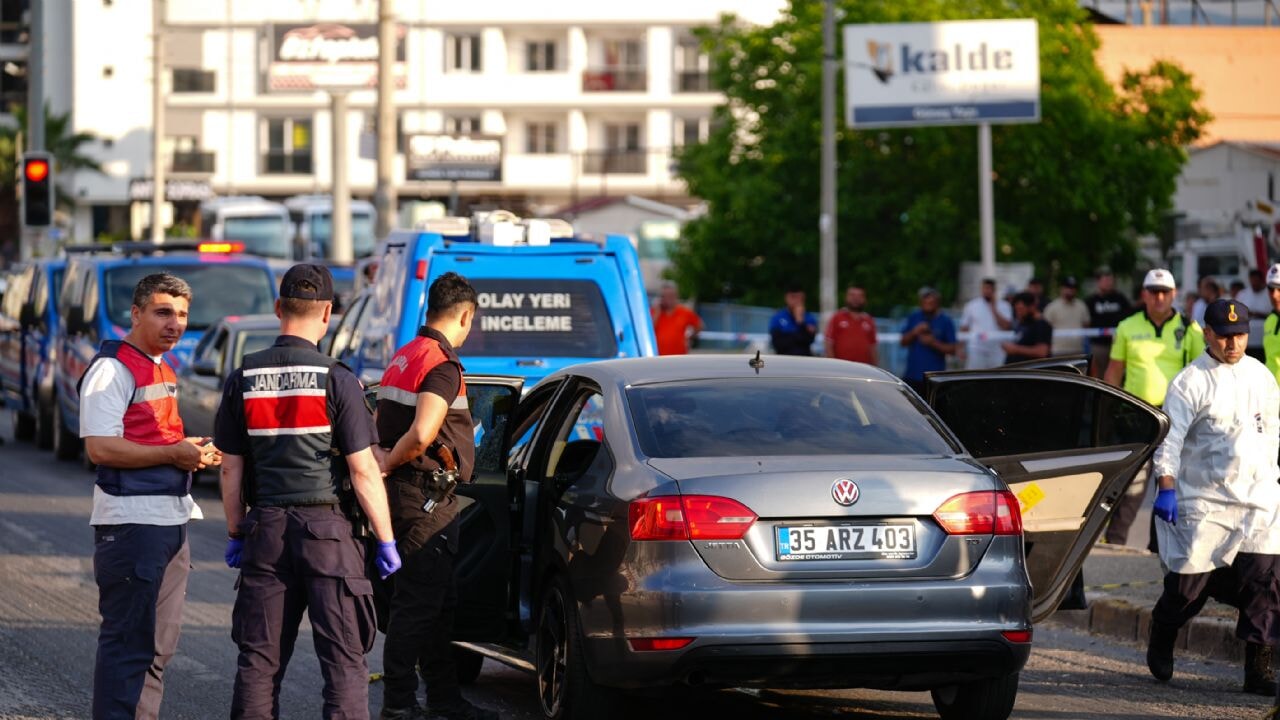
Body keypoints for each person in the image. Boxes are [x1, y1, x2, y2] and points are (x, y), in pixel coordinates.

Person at [215, 264, 401, 719]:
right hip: (329, 536)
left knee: (258, 663)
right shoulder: (337, 379)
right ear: (328, 313)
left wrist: (238, 531)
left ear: (279, 308)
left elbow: (230, 469)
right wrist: (385, 538)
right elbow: (362, 470)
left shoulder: (243, 377)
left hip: (267, 532)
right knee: (343, 664)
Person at [79, 272, 220, 720]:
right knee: (128, 647)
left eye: (181, 314)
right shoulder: (112, 368)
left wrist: (190, 452)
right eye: (163, 312)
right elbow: (99, 447)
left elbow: (152, 440)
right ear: (135, 313)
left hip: (169, 521)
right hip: (132, 523)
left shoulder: (161, 365)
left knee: (157, 650)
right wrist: (173, 453)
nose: (174, 323)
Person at [376, 272, 499, 720]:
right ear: (465, 315)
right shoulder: (442, 365)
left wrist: (384, 466)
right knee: (417, 608)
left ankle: (444, 699)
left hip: (404, 495)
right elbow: (423, 433)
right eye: (472, 321)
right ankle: (400, 704)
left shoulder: (405, 356)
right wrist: (389, 463)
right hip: (426, 497)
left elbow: (383, 425)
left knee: (437, 604)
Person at [1145, 298, 1280, 695]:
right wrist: (1166, 487)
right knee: (1188, 589)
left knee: (1266, 583)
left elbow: (1271, 433)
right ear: (1207, 333)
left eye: (1239, 335)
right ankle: (1164, 629)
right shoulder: (1190, 382)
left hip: (1258, 500)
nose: (1232, 344)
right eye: (1223, 336)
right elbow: (1169, 443)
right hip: (1204, 500)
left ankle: (1258, 671)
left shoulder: (1262, 377)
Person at [1104, 268, 1205, 548]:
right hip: (1138, 416)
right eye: (1153, 292)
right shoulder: (1127, 326)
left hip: (1176, 417)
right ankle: (1114, 546)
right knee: (1131, 487)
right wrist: (1110, 407)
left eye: (1164, 292)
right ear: (1144, 295)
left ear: (1173, 294)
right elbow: (1114, 370)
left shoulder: (1190, 329)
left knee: (1169, 482)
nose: (1159, 297)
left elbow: (1203, 373)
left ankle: (1158, 547)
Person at [899, 286, 956, 395]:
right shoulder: (914, 317)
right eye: (924, 302)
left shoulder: (946, 321)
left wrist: (933, 343)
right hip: (912, 376)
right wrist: (915, 332)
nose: (927, 305)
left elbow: (952, 349)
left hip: (935, 378)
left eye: (931, 302)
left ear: (937, 303)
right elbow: (903, 342)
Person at [1084, 268, 1132, 378]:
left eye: (1110, 281)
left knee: (1117, 372)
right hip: (1098, 344)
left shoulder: (1120, 299)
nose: (1108, 283)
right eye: (1105, 280)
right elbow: (1086, 321)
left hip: (1117, 343)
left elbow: (1128, 317)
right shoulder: (1091, 301)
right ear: (1098, 282)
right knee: (1098, 374)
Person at [958, 278, 1012, 370]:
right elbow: (964, 327)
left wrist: (994, 308)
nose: (987, 291)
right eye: (985, 288)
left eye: (990, 288)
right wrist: (960, 348)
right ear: (981, 289)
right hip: (976, 349)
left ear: (994, 290)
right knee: (974, 378)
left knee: (996, 379)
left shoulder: (1004, 305)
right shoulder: (971, 305)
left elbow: (1006, 326)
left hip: (997, 350)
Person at [824, 284, 878, 365]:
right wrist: (832, 365)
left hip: (864, 370)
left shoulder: (869, 320)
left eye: (859, 296)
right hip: (841, 368)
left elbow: (873, 347)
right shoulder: (837, 317)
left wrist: (875, 367)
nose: (856, 299)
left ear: (865, 299)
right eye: (852, 295)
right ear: (846, 297)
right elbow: (828, 343)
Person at [1042, 276, 1090, 357]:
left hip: (1078, 350)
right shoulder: (1052, 307)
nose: (1070, 290)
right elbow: (1044, 328)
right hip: (1058, 351)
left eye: (1073, 287)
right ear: (1061, 288)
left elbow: (1086, 325)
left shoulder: (1081, 305)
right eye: (1067, 287)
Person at [651, 282, 702, 356]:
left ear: (676, 296)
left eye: (671, 296)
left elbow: (699, 325)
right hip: (658, 356)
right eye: (665, 296)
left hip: (679, 356)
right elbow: (648, 330)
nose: (668, 299)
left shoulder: (684, 312)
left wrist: (690, 338)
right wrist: (657, 314)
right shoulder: (654, 311)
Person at [1002, 292, 1052, 364]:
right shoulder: (1023, 324)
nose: (1018, 313)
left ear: (1032, 307)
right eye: (1016, 310)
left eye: (1020, 309)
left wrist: (1015, 349)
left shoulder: (1041, 325)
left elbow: (1042, 352)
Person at [769, 286, 817, 356]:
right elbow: (777, 343)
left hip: (804, 359)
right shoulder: (778, 317)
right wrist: (798, 336)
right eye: (793, 297)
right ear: (786, 298)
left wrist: (800, 322)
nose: (796, 301)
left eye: (799, 297)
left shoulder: (809, 317)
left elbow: (809, 340)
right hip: (784, 358)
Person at [1237, 269, 1271, 362]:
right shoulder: (1243, 294)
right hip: (1247, 341)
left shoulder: (1269, 294)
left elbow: (1273, 315)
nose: (1254, 283)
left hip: (1264, 340)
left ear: (1261, 280)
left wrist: (1257, 314)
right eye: (1252, 281)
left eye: (1256, 281)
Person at [1264, 264, 1280, 387]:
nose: (1274, 295)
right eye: (1271, 288)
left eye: (1279, 289)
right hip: (1271, 392)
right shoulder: (1270, 320)